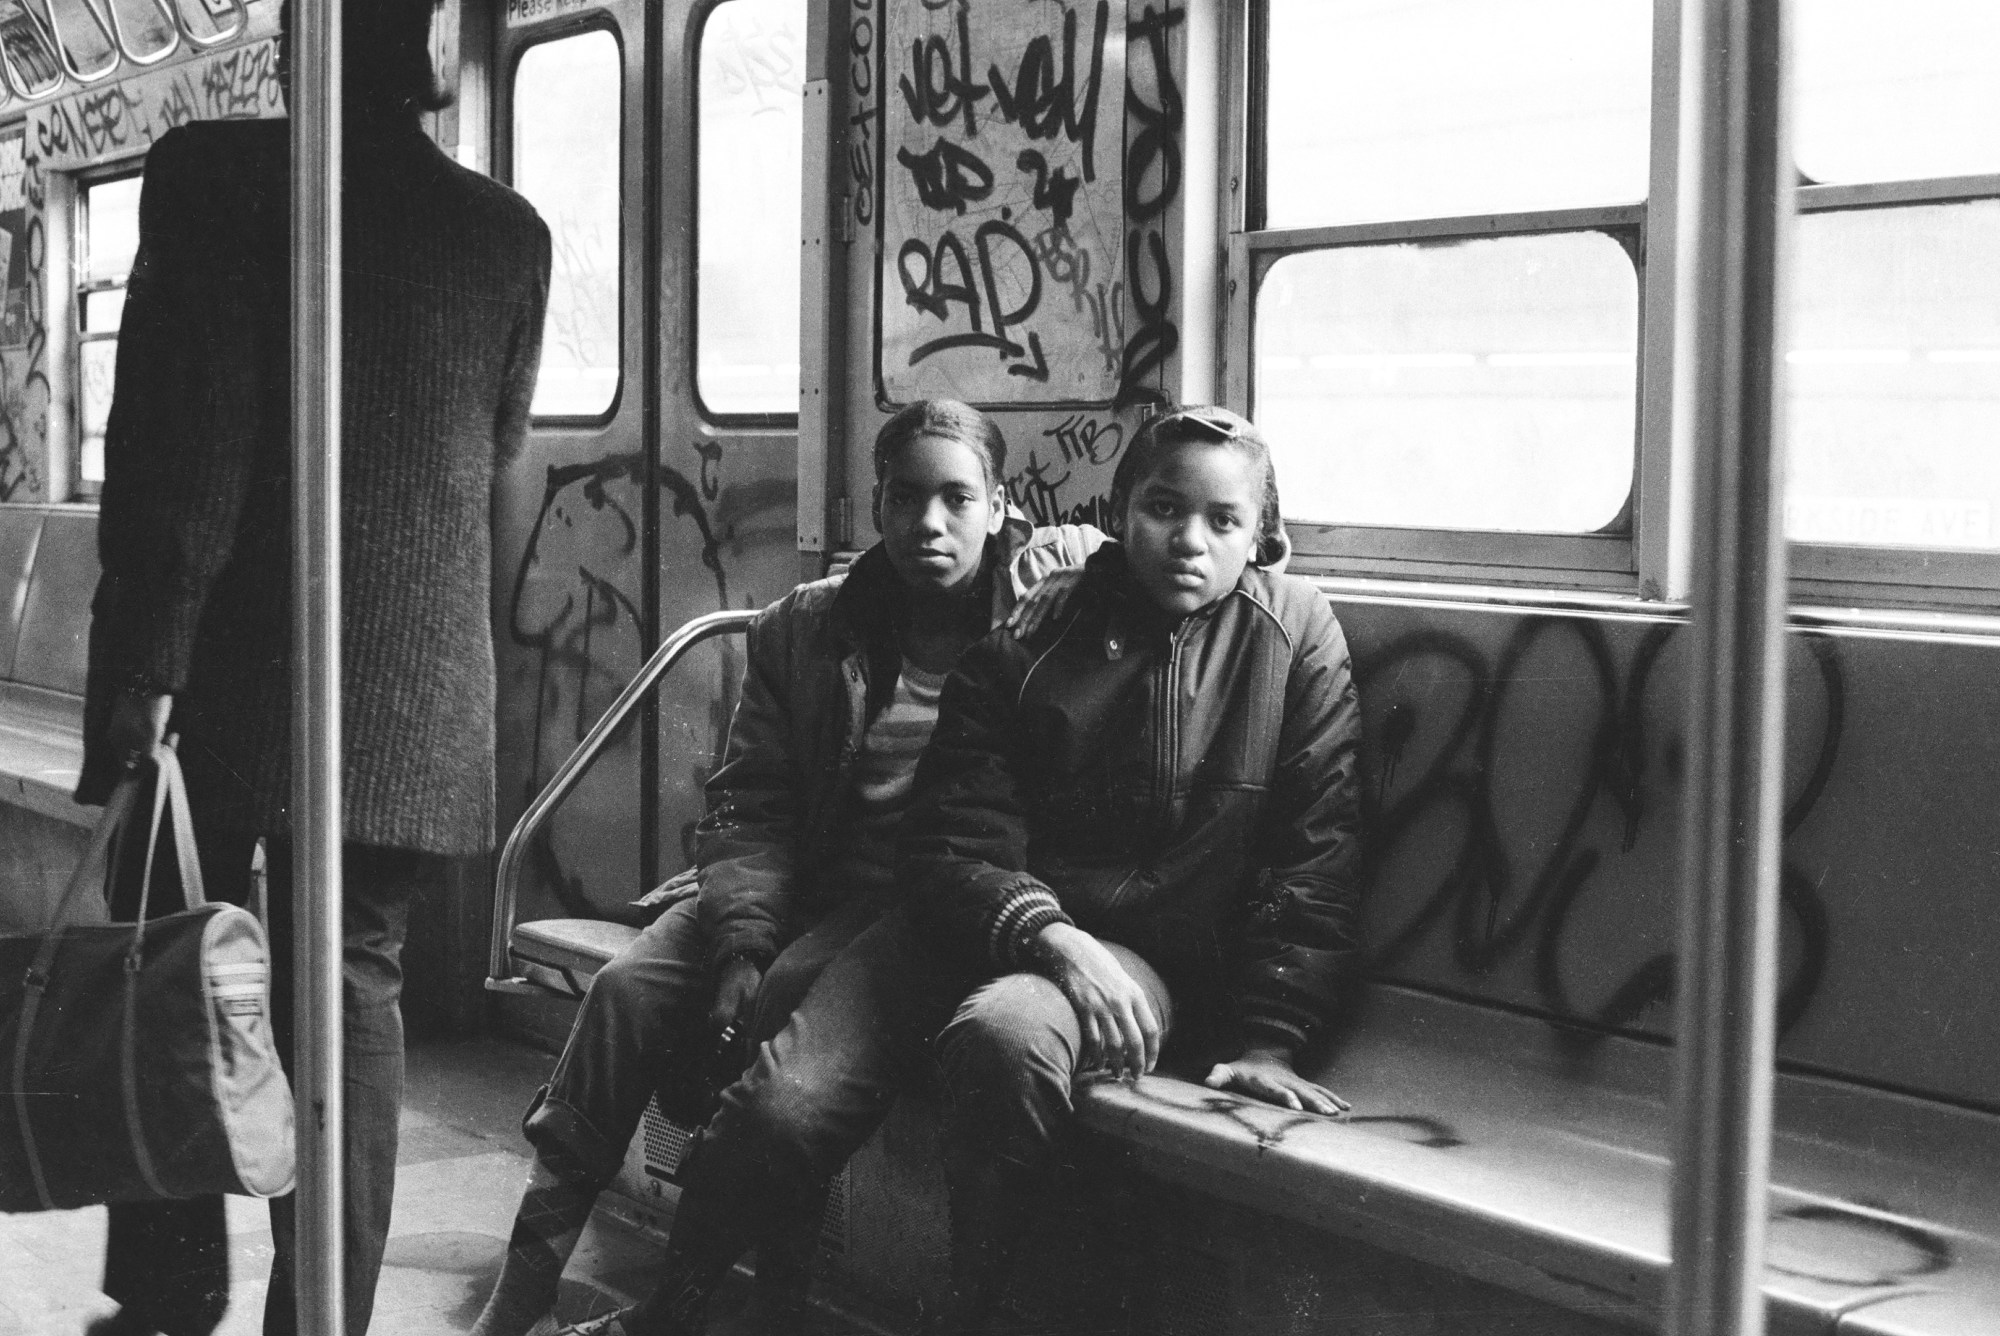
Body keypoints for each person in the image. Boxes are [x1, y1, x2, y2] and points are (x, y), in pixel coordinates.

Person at [607, 404, 1363, 1336]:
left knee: (1005, 1039)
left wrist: (1269, 1039)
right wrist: (1050, 935)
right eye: (1164, 510)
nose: (1190, 543)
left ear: (1263, 535)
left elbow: (1314, 849)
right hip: (987, 923)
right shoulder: (1034, 631)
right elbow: (954, 836)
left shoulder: (1292, 639)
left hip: (1137, 950)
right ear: (1121, 512)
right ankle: (670, 1318)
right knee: (782, 1106)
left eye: (1224, 522)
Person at [74, 0, 552, 1331]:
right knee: (353, 989)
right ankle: (320, 1314)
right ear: (433, 54)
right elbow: (496, 445)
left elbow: (196, 449)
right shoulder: (509, 236)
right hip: (412, 687)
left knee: (170, 959)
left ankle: (171, 1287)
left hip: (228, 669)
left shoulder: (218, 179)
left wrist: (148, 666)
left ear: (302, 41)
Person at [474, 400, 1102, 1336]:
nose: (929, 524)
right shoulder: (807, 628)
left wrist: (1074, 551)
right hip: (800, 876)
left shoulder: (1040, 617)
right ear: (875, 507)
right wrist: (738, 941)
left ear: (1000, 506)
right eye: (904, 498)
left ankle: (762, 1303)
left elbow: (1160, 542)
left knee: (787, 1031)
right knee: (629, 990)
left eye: (957, 499)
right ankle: (522, 1290)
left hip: (924, 899)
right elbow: (754, 807)